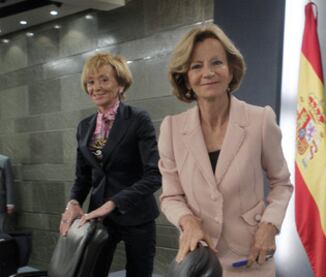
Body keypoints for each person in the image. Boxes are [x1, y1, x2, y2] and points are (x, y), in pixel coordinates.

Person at [158, 23, 293, 276]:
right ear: (185, 78)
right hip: (199, 259)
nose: (208, 73)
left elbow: (282, 183)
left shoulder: (260, 119)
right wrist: (187, 222)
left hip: (251, 258)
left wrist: (269, 226)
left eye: (216, 63)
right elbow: (170, 196)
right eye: (196, 66)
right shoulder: (172, 129)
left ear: (231, 70)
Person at [59, 53, 161, 277]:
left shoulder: (138, 119)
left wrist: (114, 202)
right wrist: (74, 202)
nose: (96, 87)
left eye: (104, 79)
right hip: (99, 217)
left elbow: (154, 175)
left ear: (121, 83)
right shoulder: (84, 127)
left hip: (137, 214)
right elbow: (82, 176)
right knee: (93, 272)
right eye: (91, 81)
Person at [0, 154, 15, 233]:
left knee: (1, 229)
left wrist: (10, 203)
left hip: (1, 203)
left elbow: (9, 182)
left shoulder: (4, 160)